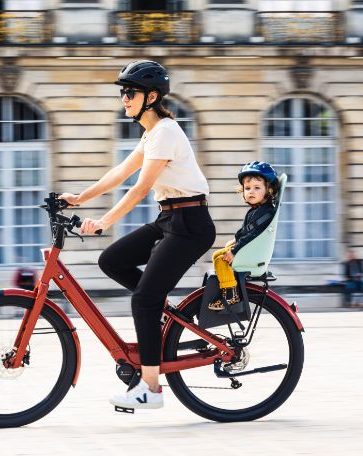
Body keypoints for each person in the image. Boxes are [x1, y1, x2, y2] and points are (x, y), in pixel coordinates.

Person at [59, 60, 216, 411]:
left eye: (130, 92)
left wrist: (104, 221)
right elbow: (120, 172)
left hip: (190, 224)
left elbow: (141, 187)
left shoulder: (166, 131)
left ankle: (150, 388)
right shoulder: (150, 134)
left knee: (142, 300)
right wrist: (79, 197)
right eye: (123, 92)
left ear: (152, 96)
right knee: (111, 260)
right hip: (170, 219)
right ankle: (158, 309)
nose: (124, 99)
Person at [209, 162, 279, 311]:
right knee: (217, 255)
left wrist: (235, 251)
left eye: (257, 188)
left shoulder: (265, 212)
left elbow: (253, 235)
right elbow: (246, 232)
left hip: (250, 251)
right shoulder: (257, 210)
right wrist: (234, 241)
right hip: (248, 249)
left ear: (270, 190)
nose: (250, 192)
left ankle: (230, 295)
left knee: (221, 260)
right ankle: (228, 288)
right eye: (247, 188)